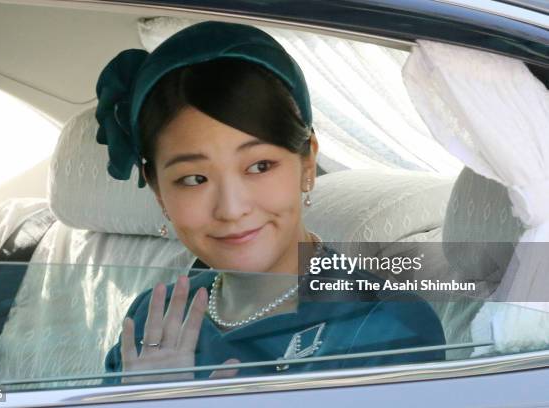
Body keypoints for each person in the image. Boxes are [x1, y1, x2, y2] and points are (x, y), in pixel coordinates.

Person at [96, 21, 445, 384]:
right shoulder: (154, 318)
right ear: (158, 191)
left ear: (307, 162)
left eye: (260, 166)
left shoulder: (387, 327)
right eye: (194, 179)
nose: (231, 209)